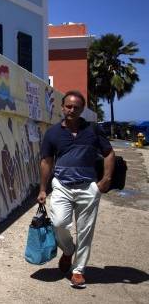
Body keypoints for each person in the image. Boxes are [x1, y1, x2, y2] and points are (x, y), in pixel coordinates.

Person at [37, 90, 115, 288]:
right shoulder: (53, 132)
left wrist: (105, 180)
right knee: (59, 222)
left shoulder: (93, 130)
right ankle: (69, 250)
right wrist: (43, 189)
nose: (72, 110)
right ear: (62, 107)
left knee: (85, 231)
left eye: (76, 107)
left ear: (82, 109)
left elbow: (108, 153)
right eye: (68, 106)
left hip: (88, 187)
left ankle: (78, 270)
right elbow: (46, 161)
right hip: (61, 186)